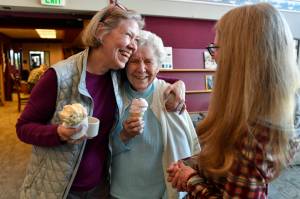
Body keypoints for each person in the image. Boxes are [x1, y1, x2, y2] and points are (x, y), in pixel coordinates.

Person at [16, 2, 185, 198]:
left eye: (136, 39)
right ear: (101, 31)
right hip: (60, 188)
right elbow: (23, 127)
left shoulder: (116, 74)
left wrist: (178, 83)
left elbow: (148, 76)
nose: (133, 45)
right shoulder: (58, 76)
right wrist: (59, 133)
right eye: (129, 35)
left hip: (101, 185)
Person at [167, 3, 300, 198]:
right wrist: (193, 165)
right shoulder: (261, 116)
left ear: (240, 57)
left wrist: (191, 180)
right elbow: (229, 165)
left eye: (217, 48)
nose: (214, 57)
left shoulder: (253, 135)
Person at [110, 30, 200, 199]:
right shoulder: (113, 97)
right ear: (125, 65)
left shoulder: (171, 97)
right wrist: (123, 135)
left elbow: (190, 146)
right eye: (134, 61)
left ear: (158, 66)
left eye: (149, 61)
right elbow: (101, 150)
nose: (141, 69)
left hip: (164, 193)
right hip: (121, 193)